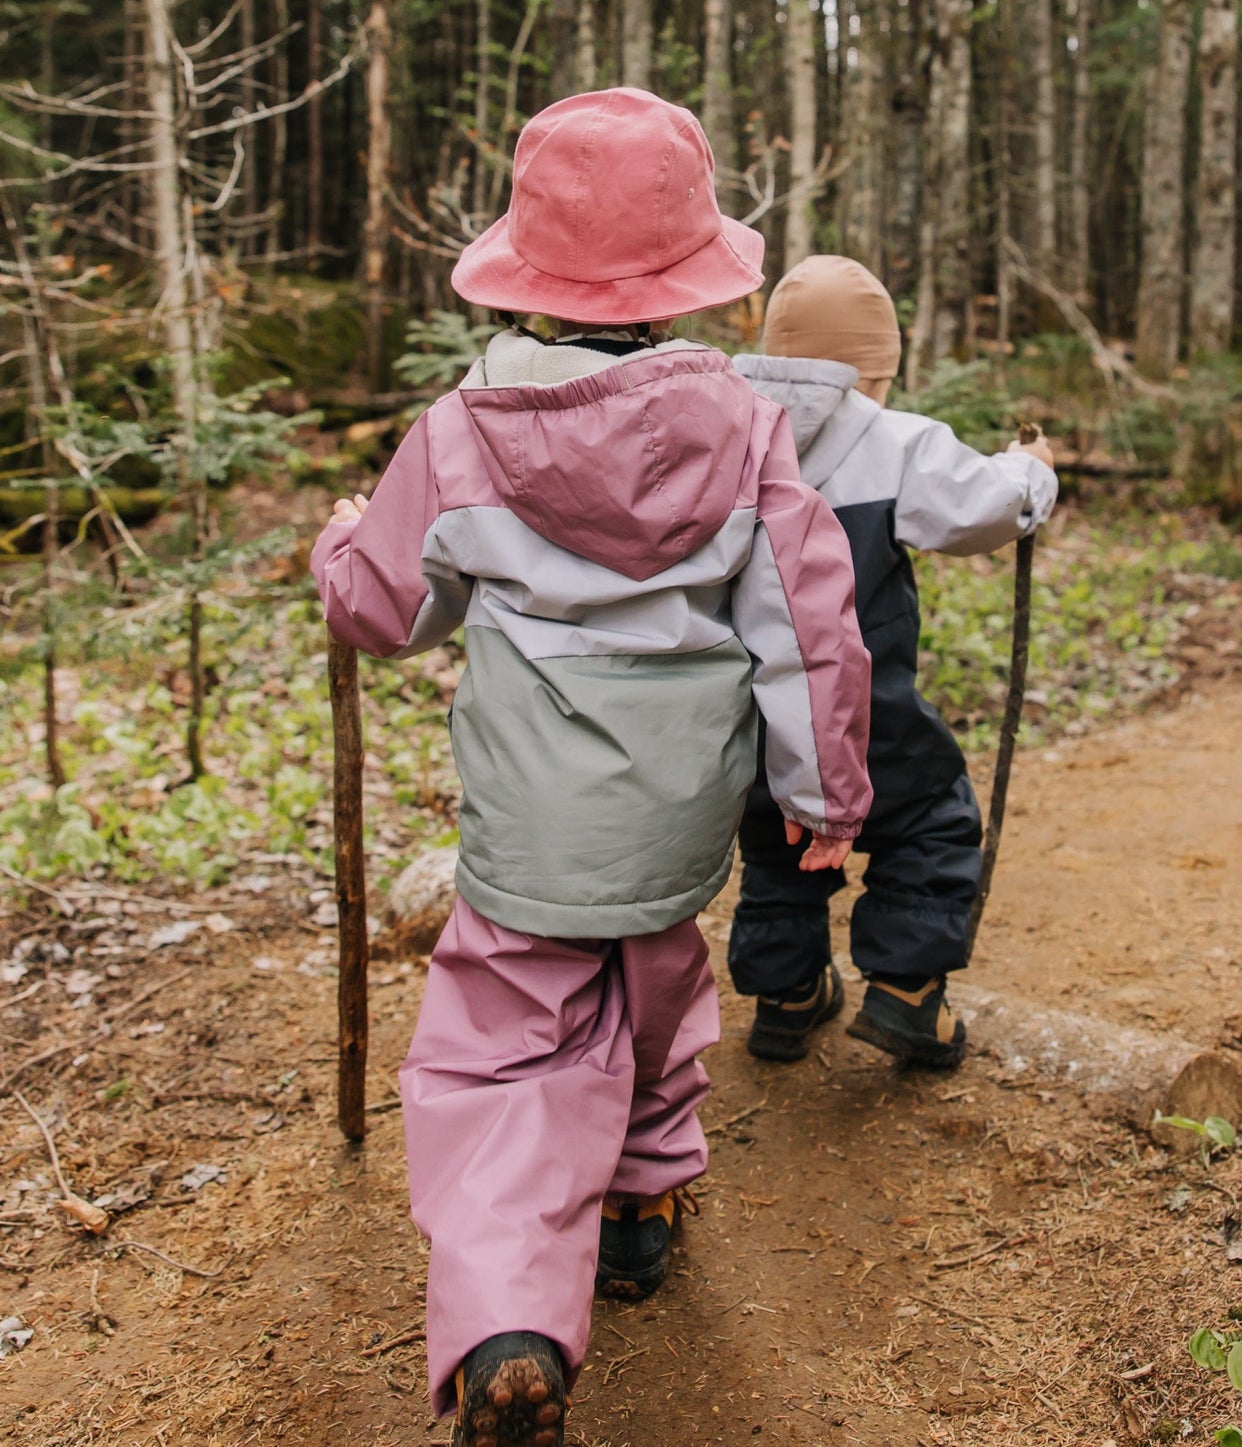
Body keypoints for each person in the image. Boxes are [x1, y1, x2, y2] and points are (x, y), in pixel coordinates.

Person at [310, 93, 872, 1447]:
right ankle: (638, 1201)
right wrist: (821, 797)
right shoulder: (744, 430)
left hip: (531, 813)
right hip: (676, 806)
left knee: (506, 1045)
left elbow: (386, 611)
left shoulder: (460, 432)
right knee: (653, 975)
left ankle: (511, 1318)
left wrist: (344, 544)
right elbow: (809, 627)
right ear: (691, 279)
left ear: (529, 271)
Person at [726, 254, 1057, 1071]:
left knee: (776, 839)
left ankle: (786, 994)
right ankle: (907, 993)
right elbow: (986, 508)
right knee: (930, 818)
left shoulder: (725, 433)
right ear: (876, 371)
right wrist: (1032, 473)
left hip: (756, 712)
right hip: (864, 706)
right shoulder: (893, 438)